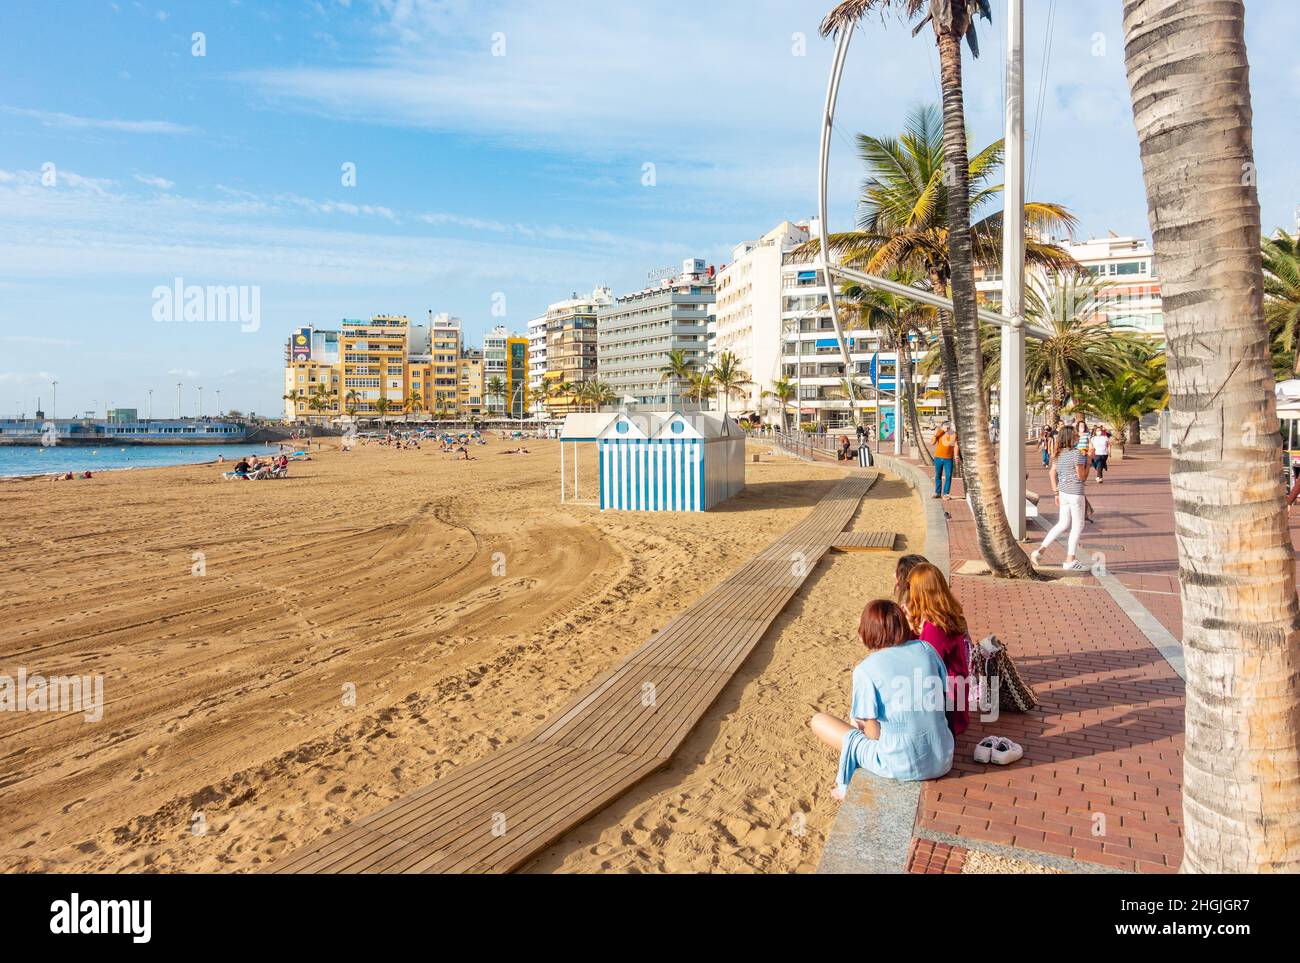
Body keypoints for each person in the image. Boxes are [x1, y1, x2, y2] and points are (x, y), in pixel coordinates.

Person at [810, 599, 954, 798]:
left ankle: (845, 787)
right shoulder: (926, 648)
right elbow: (945, 697)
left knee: (819, 721)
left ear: (867, 631)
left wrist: (863, 728)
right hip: (943, 757)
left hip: (901, 764)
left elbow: (873, 735)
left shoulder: (866, 669)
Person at [906, 562, 971, 736]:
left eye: (910, 587)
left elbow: (924, 665)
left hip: (948, 708)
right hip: (956, 695)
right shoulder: (945, 616)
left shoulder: (934, 628)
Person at [1032, 425, 1091, 570]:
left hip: (1063, 492)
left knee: (1062, 523)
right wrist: (1089, 460)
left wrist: (1056, 493)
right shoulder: (1077, 454)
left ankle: (1040, 551)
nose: (1078, 436)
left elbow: (1052, 473)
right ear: (1071, 438)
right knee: (1078, 525)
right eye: (1076, 435)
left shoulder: (1058, 454)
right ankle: (1070, 560)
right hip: (1075, 493)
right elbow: (1081, 476)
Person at [932, 422, 957, 499]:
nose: (947, 428)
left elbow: (956, 445)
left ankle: (946, 494)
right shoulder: (940, 433)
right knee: (938, 475)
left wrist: (956, 456)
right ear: (943, 427)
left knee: (948, 476)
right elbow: (932, 443)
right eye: (946, 426)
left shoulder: (954, 434)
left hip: (948, 458)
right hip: (938, 457)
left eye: (949, 426)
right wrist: (936, 434)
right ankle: (937, 493)